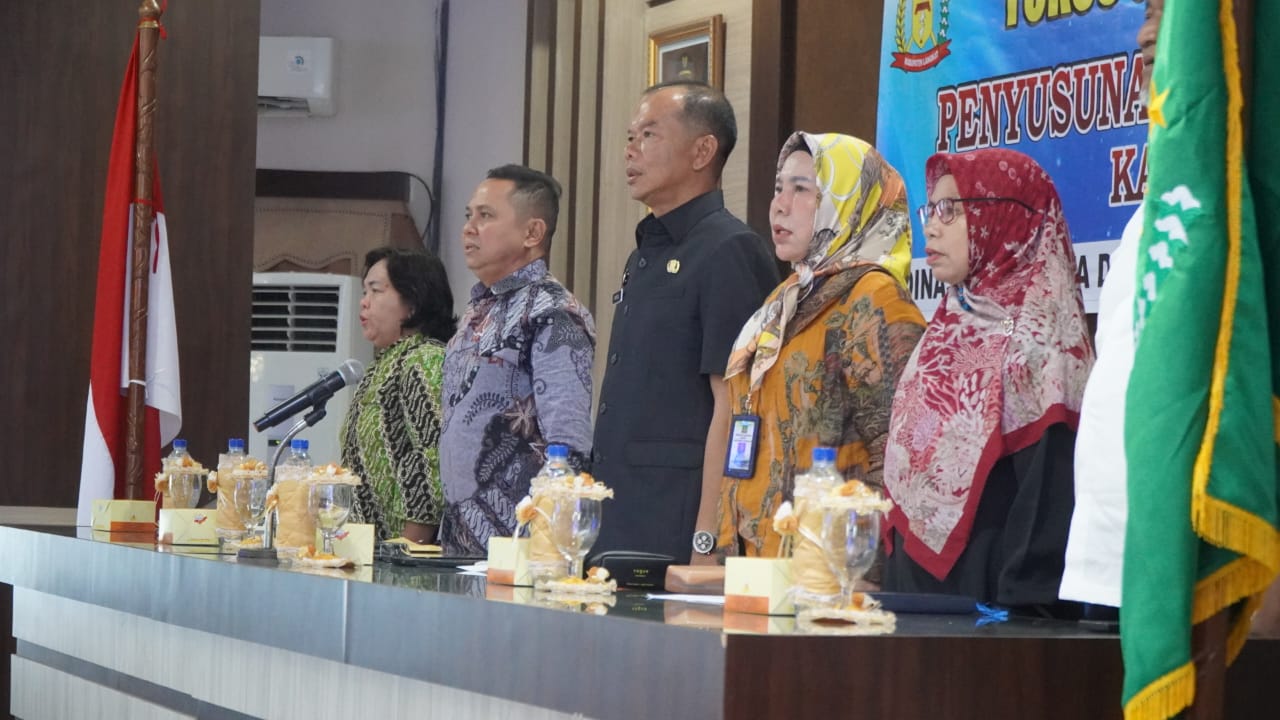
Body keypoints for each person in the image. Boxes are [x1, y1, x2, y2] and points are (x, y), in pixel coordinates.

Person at [881, 148, 1095, 614]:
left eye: (951, 210)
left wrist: (1018, 626)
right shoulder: (948, 325)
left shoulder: (1043, 345)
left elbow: (1047, 506)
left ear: (1005, 217)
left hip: (987, 611)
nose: (931, 227)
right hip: (911, 599)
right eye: (931, 211)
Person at [713, 132, 925, 574]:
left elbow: (899, 457)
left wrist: (863, 569)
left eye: (802, 189)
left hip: (828, 576)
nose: (779, 205)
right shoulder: (782, 303)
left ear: (849, 201)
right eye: (778, 188)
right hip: (755, 570)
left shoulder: (874, 299)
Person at [591, 81, 779, 565]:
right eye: (630, 136)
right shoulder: (646, 253)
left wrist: (708, 542)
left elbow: (734, 406)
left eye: (648, 135)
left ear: (702, 151)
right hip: (620, 518)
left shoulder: (730, 249)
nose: (630, 150)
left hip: (678, 529)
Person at [1058, 0, 1160, 612]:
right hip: (1113, 555)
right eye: (1146, 12)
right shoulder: (1145, 219)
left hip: (1187, 561)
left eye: (1167, 14)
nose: (1145, 34)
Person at [440, 164, 596, 556]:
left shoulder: (553, 312)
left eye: (486, 215)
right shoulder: (478, 309)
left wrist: (546, 552)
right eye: (468, 215)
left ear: (532, 233)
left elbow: (569, 447)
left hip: (522, 548)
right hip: (460, 541)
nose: (469, 228)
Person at [343, 247, 457, 544]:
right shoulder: (385, 362)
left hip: (403, 555)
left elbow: (431, 461)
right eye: (364, 291)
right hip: (373, 548)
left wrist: (408, 549)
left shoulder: (424, 359)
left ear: (413, 303)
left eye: (376, 290)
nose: (364, 302)